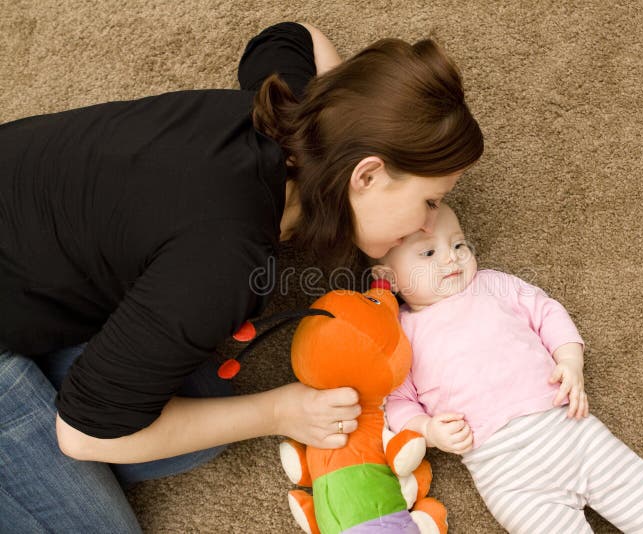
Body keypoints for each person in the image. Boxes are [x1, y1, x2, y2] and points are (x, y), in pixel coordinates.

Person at [0, 22, 483, 532]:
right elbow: (84, 435)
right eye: (428, 201)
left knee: (194, 415)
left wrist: (361, 124)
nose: (432, 222)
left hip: (27, 235)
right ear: (365, 175)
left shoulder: (294, 116)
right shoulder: (227, 261)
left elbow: (294, 35)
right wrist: (279, 412)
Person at [373, 203, 643, 534]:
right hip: (506, 473)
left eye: (459, 244)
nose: (451, 258)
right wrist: (428, 430)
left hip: (572, 432)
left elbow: (547, 313)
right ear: (389, 279)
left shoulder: (493, 285)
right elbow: (398, 402)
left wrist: (570, 361)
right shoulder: (398, 334)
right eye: (429, 253)